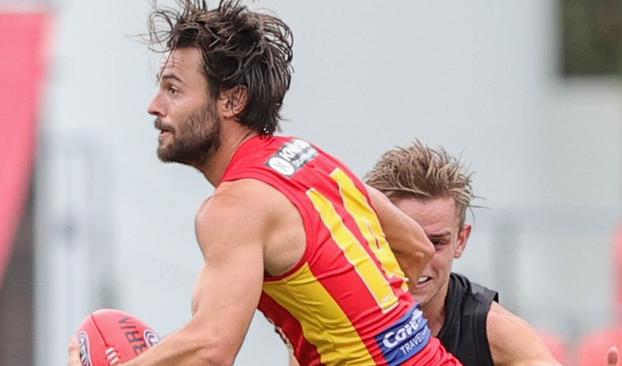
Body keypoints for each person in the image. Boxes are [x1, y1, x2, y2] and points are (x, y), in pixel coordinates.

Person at [68, 1, 461, 365]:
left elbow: (210, 348)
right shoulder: (311, 158)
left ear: (232, 101)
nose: (155, 105)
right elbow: (412, 244)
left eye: (173, 89)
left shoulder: (235, 206)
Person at [364, 141, 620, 366]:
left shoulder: (492, 330)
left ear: (461, 240)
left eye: (437, 242)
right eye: (405, 242)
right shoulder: (336, 308)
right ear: (373, 237)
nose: (421, 256)